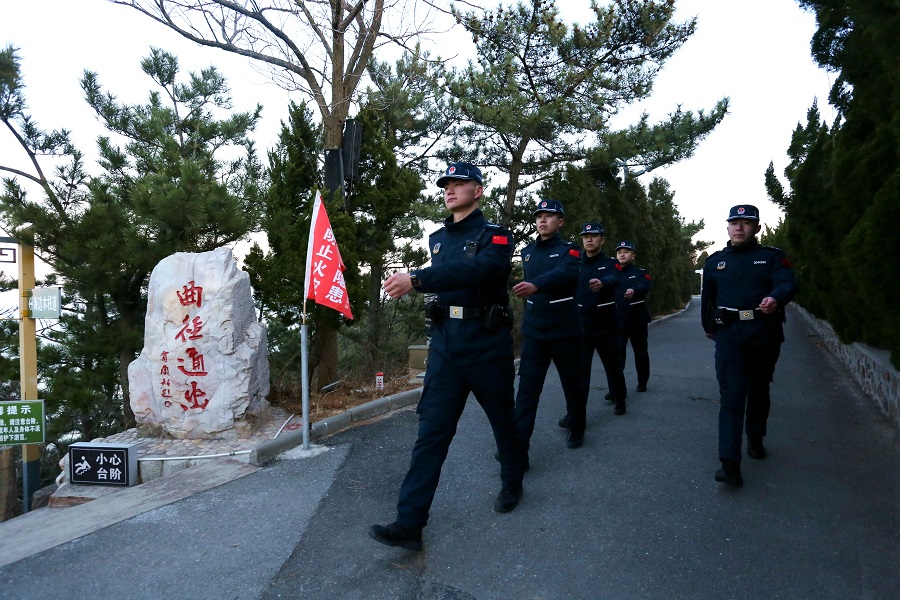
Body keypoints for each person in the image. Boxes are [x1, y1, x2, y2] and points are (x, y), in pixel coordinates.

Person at [368, 162, 526, 552]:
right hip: (446, 347)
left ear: (479, 191)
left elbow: (480, 271)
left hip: (486, 345)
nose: (450, 189)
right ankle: (410, 524)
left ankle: (513, 480)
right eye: (446, 184)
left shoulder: (496, 237)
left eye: (460, 183)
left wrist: (418, 280)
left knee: (504, 421)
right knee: (430, 435)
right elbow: (451, 275)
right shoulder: (437, 238)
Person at [701, 204, 797, 487]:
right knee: (731, 397)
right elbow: (708, 297)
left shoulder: (771, 257)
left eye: (746, 222)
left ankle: (755, 437)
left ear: (756, 227)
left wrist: (776, 298)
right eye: (734, 222)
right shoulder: (715, 261)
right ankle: (729, 464)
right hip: (729, 335)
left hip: (763, 333)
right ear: (728, 227)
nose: (739, 227)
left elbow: (787, 283)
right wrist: (709, 327)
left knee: (758, 389)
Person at [513, 199, 583, 451]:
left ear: (560, 221)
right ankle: (518, 447)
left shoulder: (571, 251)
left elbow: (565, 273)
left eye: (549, 216)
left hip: (564, 329)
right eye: (539, 216)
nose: (542, 220)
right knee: (527, 392)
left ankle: (577, 426)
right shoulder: (527, 251)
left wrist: (536, 285)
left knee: (572, 383)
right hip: (534, 332)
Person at [569, 222, 626, 435]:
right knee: (581, 374)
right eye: (586, 236)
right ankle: (577, 421)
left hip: (606, 326)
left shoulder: (611, 263)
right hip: (582, 327)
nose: (589, 240)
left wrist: (603, 283)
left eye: (594, 236)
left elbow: (616, 278)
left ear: (602, 239)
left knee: (613, 368)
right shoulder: (575, 262)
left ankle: (620, 399)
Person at [614, 240, 652, 404]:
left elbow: (645, 286)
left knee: (640, 353)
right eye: (619, 252)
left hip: (637, 320)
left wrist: (634, 291)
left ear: (633, 255)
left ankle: (642, 381)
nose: (622, 254)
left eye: (626, 251)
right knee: (617, 355)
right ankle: (616, 388)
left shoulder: (640, 273)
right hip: (617, 320)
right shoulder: (611, 273)